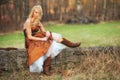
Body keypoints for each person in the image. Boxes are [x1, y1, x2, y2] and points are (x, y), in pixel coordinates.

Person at [23, 5, 81, 76]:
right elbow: (29, 37)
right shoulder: (28, 22)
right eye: (36, 12)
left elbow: (43, 32)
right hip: (30, 41)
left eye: (39, 13)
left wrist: (46, 32)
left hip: (37, 38)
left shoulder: (38, 22)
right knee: (49, 43)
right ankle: (46, 68)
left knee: (51, 40)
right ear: (32, 12)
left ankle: (69, 44)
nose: (37, 15)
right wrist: (42, 39)